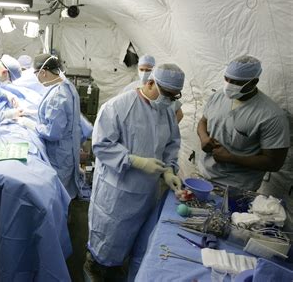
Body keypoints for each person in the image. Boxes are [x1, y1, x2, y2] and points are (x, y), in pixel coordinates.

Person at [84, 64, 185, 280]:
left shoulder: (166, 111)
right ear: (150, 83)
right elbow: (101, 145)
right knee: (106, 244)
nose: (169, 100)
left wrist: (169, 170)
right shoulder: (118, 107)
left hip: (146, 192)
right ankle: (94, 269)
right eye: (166, 94)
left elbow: (171, 144)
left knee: (131, 241)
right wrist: (133, 160)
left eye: (174, 96)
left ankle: (115, 268)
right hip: (116, 194)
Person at [197, 55, 289, 191]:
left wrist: (231, 158)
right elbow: (203, 122)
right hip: (204, 175)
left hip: (237, 187)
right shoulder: (218, 96)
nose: (229, 85)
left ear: (254, 82)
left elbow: (274, 163)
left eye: (236, 82)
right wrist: (204, 138)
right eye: (226, 79)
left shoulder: (271, 116)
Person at [18, 54, 86, 199]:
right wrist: (33, 112)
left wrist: (31, 124)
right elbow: (60, 116)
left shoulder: (58, 96)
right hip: (68, 150)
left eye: (36, 74)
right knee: (66, 190)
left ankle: (61, 219)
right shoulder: (67, 85)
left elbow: (52, 132)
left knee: (58, 195)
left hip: (59, 155)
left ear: (43, 72)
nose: (36, 78)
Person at [123, 54, 184, 123]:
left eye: (148, 70)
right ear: (150, 84)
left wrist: (170, 128)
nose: (144, 73)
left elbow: (179, 113)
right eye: (142, 69)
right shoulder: (130, 89)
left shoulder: (166, 94)